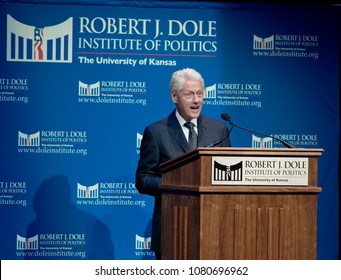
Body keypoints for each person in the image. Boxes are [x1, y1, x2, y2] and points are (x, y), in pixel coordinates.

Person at [135, 68, 231, 259]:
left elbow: (228, 173)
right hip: (173, 228)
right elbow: (143, 179)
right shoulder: (156, 132)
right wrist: (175, 185)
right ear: (174, 96)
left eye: (199, 94)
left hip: (215, 230)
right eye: (189, 94)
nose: (197, 100)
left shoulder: (219, 129)